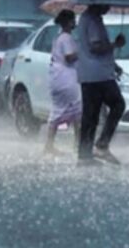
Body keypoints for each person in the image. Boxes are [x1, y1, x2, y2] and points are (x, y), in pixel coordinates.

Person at [76, 4, 126, 166]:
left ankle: (85, 154)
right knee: (118, 104)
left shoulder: (87, 19)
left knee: (91, 115)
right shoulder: (92, 21)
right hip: (98, 75)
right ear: (98, 3)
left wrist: (113, 65)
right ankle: (101, 145)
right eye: (106, 4)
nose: (109, 7)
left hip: (92, 73)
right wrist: (115, 45)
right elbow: (96, 46)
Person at [44, 9, 82, 156]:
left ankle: (49, 145)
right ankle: (77, 145)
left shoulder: (59, 37)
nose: (75, 23)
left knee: (58, 112)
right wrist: (82, 51)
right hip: (66, 79)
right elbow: (69, 58)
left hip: (58, 79)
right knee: (78, 112)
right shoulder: (66, 38)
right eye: (73, 20)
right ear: (68, 22)